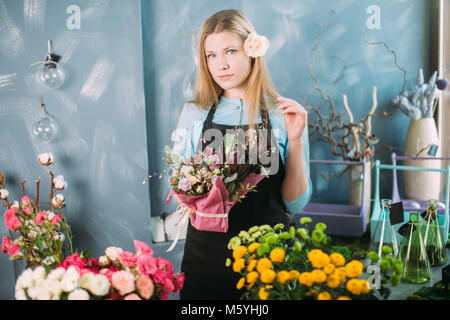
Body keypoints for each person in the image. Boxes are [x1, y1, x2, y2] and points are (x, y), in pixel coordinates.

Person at [170, 9, 312, 300]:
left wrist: (296, 141)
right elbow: (176, 187)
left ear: (252, 51)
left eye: (230, 51)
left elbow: (295, 204)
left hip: (268, 262)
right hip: (205, 261)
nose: (221, 64)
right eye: (211, 55)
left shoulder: (283, 114)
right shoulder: (193, 113)